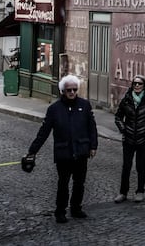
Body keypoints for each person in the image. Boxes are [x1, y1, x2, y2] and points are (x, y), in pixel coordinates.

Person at [26, 74, 98, 223]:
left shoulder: (84, 105)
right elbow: (44, 131)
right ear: (62, 91)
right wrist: (32, 151)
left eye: (74, 89)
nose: (72, 92)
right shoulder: (54, 109)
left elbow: (92, 127)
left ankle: (76, 208)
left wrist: (93, 146)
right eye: (68, 90)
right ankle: (60, 211)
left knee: (79, 183)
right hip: (63, 152)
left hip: (81, 150)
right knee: (63, 183)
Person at [113, 75, 145, 203]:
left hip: (143, 138)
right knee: (126, 166)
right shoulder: (127, 100)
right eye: (135, 84)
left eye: (140, 84)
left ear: (144, 86)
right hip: (128, 138)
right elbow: (118, 117)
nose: (137, 86)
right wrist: (123, 129)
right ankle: (123, 193)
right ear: (132, 85)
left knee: (140, 165)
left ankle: (140, 191)